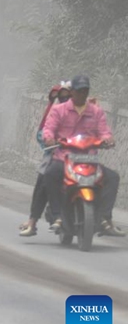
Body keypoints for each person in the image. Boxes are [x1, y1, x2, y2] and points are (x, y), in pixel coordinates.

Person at [42, 75, 125, 236]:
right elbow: (49, 128)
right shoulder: (60, 110)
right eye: (79, 91)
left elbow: (104, 131)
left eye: (85, 91)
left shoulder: (96, 112)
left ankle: (104, 218)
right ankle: (57, 214)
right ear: (72, 92)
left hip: (89, 159)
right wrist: (49, 138)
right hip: (64, 158)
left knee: (112, 178)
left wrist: (108, 140)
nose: (82, 94)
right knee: (50, 174)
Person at [18, 81, 71, 236]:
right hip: (55, 154)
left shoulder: (84, 113)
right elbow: (44, 132)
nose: (64, 99)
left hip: (78, 155)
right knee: (43, 182)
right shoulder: (55, 113)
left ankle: (102, 219)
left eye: (67, 95)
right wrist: (51, 140)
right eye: (60, 96)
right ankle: (32, 221)